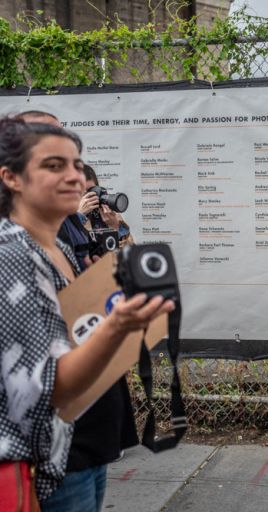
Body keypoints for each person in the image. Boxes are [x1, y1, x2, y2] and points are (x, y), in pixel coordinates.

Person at [0, 116, 174, 508]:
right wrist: (117, 326)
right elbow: (51, 388)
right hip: (51, 460)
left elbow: (72, 336)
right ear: (11, 177)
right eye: (53, 165)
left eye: (77, 165)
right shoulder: (12, 255)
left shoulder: (56, 247)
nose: (75, 178)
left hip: (88, 445)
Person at [58, 163, 132, 270]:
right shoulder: (64, 220)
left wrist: (115, 229)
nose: (89, 199)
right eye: (83, 194)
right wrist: (78, 216)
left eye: (92, 192)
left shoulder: (109, 215)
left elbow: (129, 254)